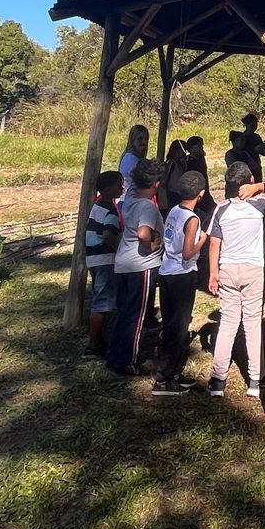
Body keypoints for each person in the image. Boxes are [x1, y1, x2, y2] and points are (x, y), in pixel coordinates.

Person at [206, 161, 265, 399]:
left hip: (228, 268)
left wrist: (213, 272)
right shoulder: (260, 205)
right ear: (250, 181)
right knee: (252, 324)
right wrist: (260, 187)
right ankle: (255, 379)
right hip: (253, 268)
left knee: (229, 323)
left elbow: (214, 243)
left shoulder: (221, 209)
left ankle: (218, 380)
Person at [153, 170, 209, 394]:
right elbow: (187, 252)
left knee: (171, 324)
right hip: (182, 275)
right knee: (178, 327)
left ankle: (174, 372)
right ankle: (163, 378)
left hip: (167, 272)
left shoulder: (175, 211)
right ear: (201, 194)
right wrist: (202, 240)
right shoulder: (192, 219)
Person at [105, 160, 164, 376]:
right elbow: (143, 234)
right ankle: (128, 361)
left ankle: (114, 355)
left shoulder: (130, 197)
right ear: (156, 184)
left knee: (124, 314)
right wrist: (153, 244)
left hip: (123, 263)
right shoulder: (146, 206)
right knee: (137, 317)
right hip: (142, 266)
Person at [82, 169, 124, 356]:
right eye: (118, 184)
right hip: (105, 259)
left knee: (101, 297)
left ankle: (97, 340)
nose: (122, 187)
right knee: (102, 302)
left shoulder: (98, 206)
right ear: (108, 189)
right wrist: (120, 251)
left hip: (94, 258)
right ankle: (94, 344)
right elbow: (108, 234)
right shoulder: (109, 209)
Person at [237, 112, 265, 181]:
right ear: (247, 125)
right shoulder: (242, 137)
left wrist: (263, 148)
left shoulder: (257, 137)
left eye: (256, 124)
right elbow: (239, 152)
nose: (254, 126)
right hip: (246, 168)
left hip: (256, 167)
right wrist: (254, 150)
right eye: (252, 124)